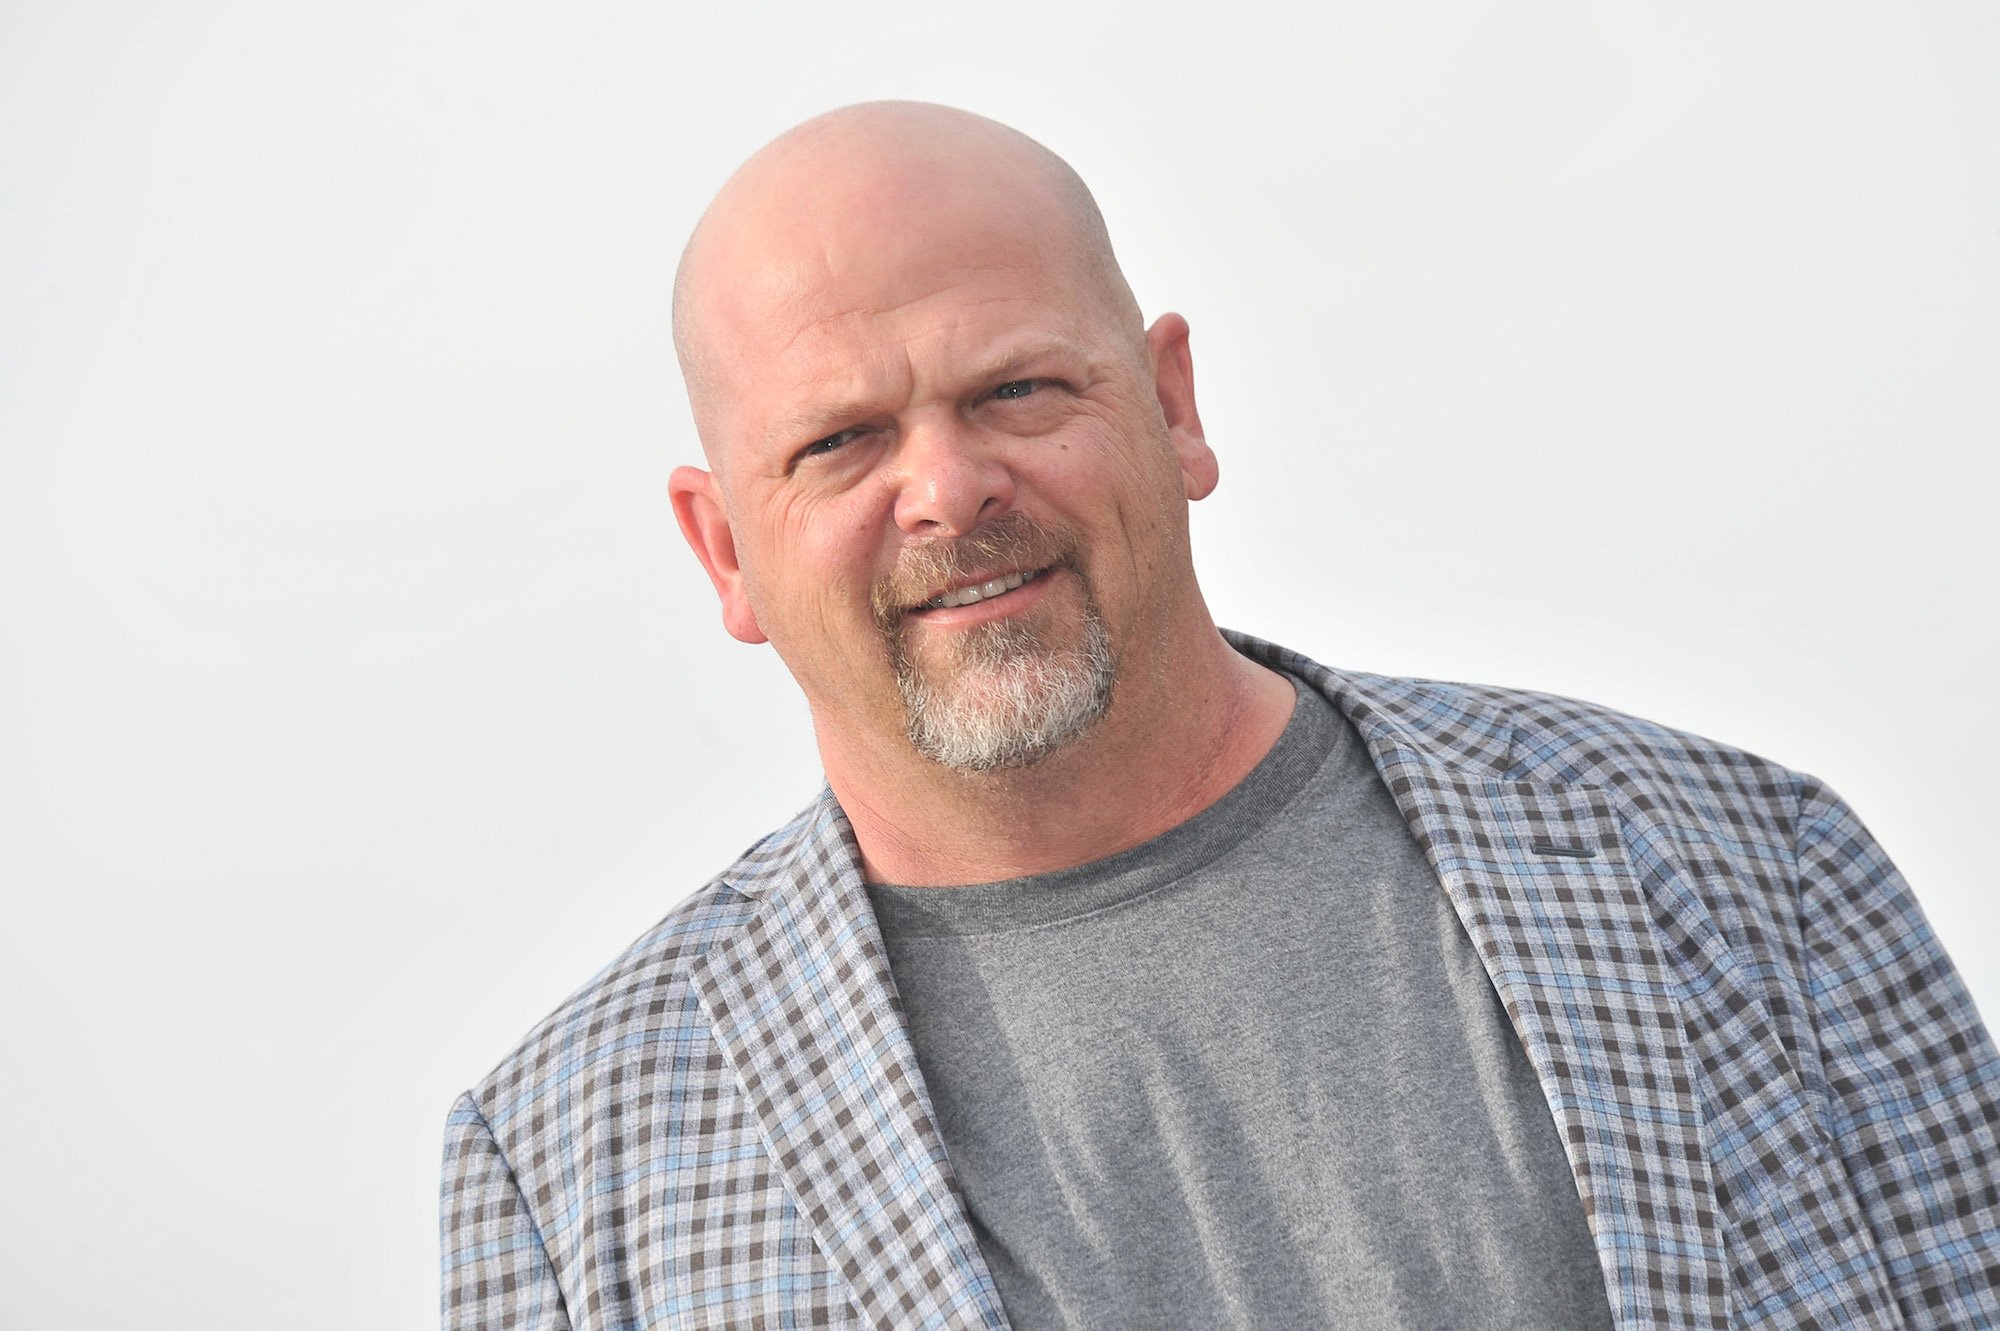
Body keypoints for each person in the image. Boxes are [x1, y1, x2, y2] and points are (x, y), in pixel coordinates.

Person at [439, 102, 1999, 1330]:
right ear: (726, 550)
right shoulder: (575, 1163)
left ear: (1173, 405)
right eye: (842, 440)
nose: (948, 489)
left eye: (1017, 391)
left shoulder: (1744, 870)